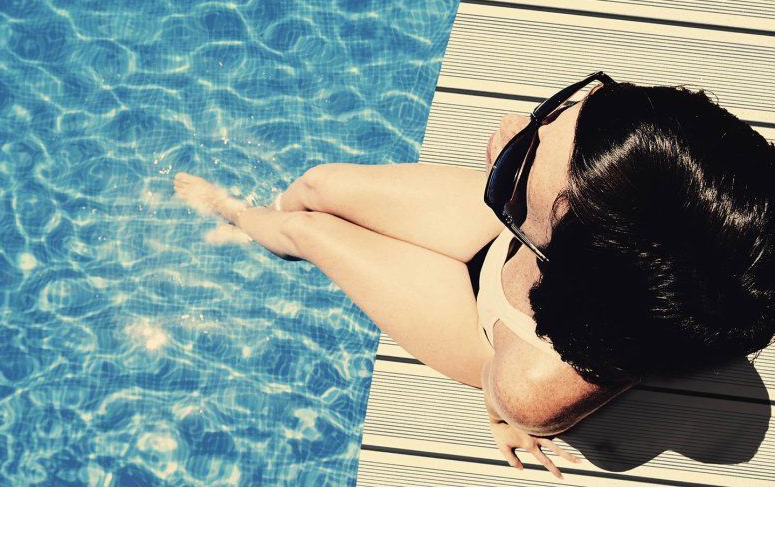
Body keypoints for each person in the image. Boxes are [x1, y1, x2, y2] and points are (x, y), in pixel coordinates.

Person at [173, 73, 775, 479]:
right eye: (555, 114)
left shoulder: (536, 383)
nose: (507, 128)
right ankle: (273, 213)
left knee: (311, 233)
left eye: (515, 165)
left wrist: (507, 414)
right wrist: (519, 194)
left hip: (485, 325)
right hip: (511, 241)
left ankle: (238, 218)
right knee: (318, 184)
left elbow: (509, 393)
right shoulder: (658, 218)